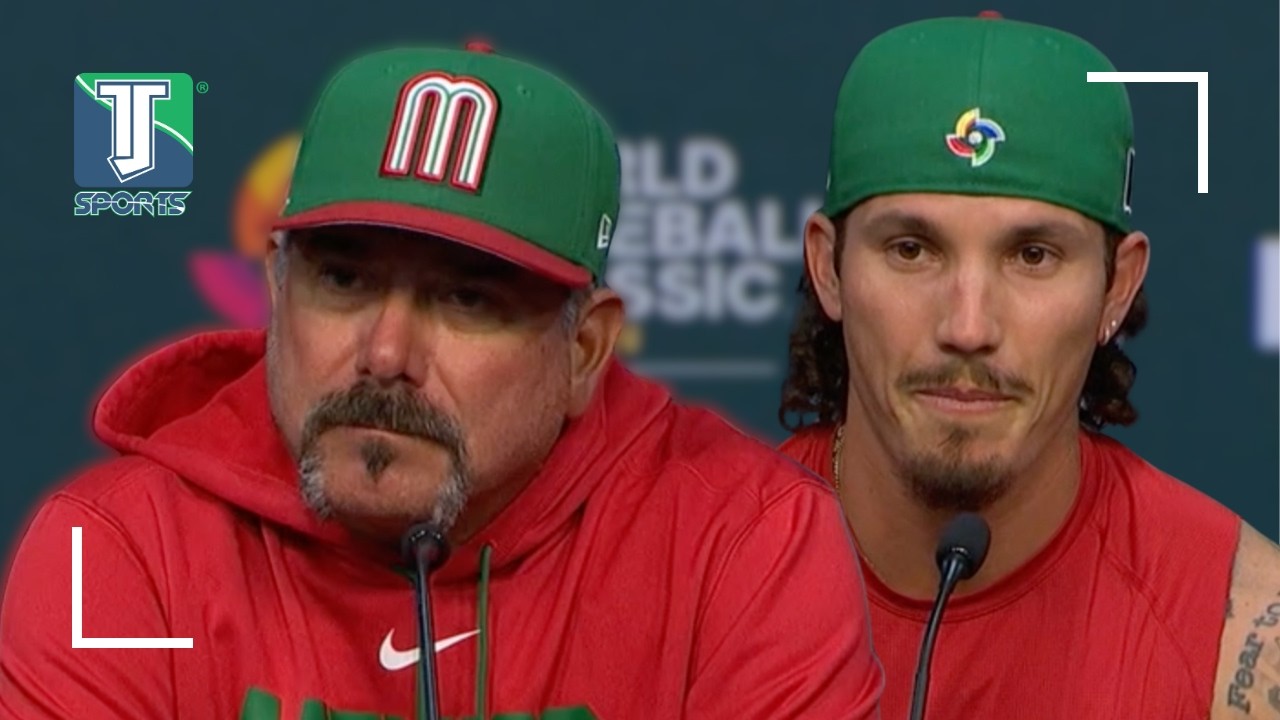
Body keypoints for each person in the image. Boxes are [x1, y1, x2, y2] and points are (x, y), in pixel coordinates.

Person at [0, 43, 884, 719]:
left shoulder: (743, 545)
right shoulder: (115, 550)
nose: (386, 354)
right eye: (343, 281)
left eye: (466, 299)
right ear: (277, 288)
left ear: (584, 353)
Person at [777, 13, 1280, 720]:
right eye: (912, 250)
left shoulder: (1239, 637)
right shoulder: (683, 585)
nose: (968, 327)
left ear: (1117, 286)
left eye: (1032, 256)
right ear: (828, 268)